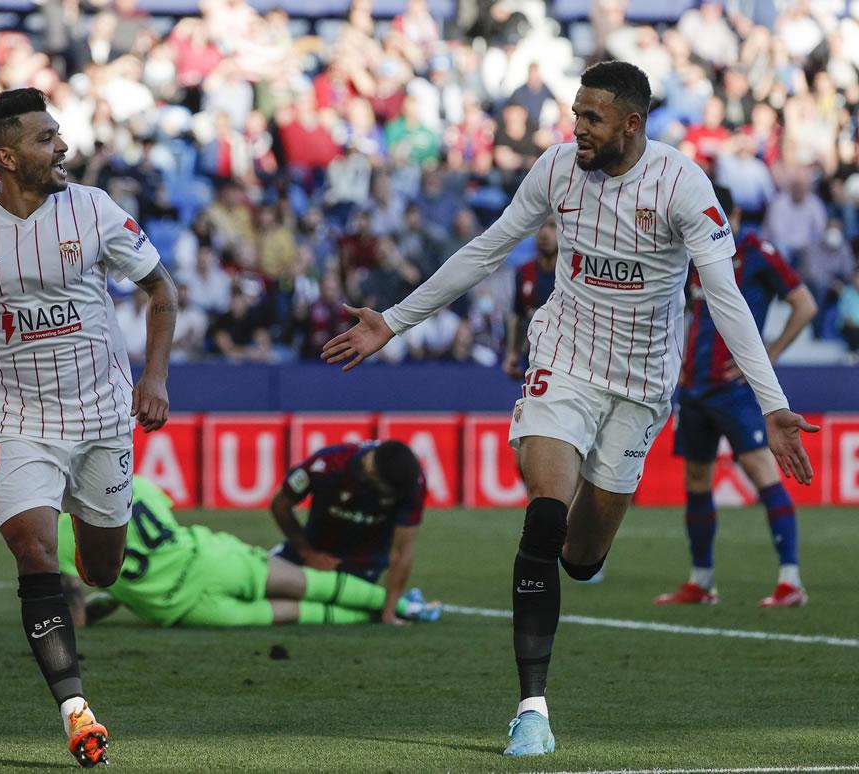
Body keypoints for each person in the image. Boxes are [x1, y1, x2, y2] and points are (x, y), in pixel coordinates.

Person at [321, 61, 816, 757]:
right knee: (546, 515)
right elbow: (488, 247)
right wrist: (395, 321)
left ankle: (582, 556)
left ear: (632, 124)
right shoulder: (556, 170)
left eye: (592, 118)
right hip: (564, 360)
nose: (576, 128)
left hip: (642, 384)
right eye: (575, 114)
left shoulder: (682, 185)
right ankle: (532, 710)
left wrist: (773, 404)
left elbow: (725, 299)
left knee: (582, 557)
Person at [0, 87, 177, 769]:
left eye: (58, 135)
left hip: (101, 413)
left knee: (105, 569)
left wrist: (155, 378)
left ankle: (86, 573)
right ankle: (75, 709)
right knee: (33, 550)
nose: (62, 147)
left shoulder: (95, 210)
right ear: (6, 156)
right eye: (45, 138)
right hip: (11, 415)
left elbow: (162, 291)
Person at [658, 188, 817, 608]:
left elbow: (804, 304)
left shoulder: (757, 251)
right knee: (696, 478)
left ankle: (790, 581)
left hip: (736, 390)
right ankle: (702, 582)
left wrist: (771, 353)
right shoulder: (692, 253)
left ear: (735, 215)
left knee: (762, 471)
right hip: (693, 387)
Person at [58, 477, 442, 628]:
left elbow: (73, 614)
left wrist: (92, 611)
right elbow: (159, 530)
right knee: (305, 583)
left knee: (291, 613)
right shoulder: (131, 485)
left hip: (181, 607)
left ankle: (372, 618)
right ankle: (404, 607)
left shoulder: (62, 532)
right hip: (210, 559)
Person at [269, 440, 426, 625]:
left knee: (298, 607)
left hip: (360, 571)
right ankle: (409, 605)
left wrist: (389, 614)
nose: (396, 498)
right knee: (262, 589)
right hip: (305, 557)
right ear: (371, 472)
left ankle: (400, 605)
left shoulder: (412, 483)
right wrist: (308, 554)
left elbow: (402, 551)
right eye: (390, 494)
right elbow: (279, 504)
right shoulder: (327, 464)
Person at [502, 219, 558, 380]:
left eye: (552, 226)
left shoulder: (572, 274)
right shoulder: (524, 272)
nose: (545, 233)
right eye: (541, 226)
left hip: (567, 358)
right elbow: (518, 315)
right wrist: (513, 353)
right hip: (534, 356)